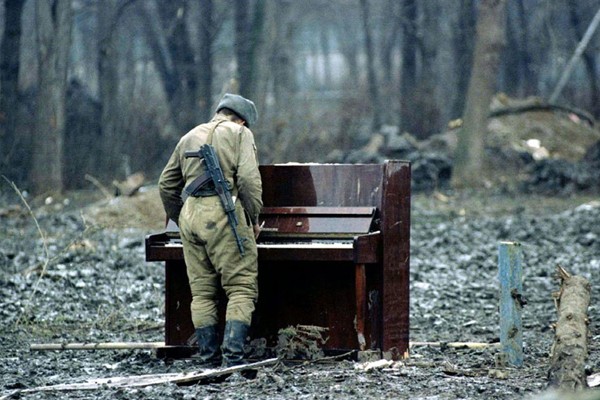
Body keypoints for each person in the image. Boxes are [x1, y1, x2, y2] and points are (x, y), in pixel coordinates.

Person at [158, 93, 263, 367]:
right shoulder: (240, 134)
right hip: (224, 213)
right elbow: (249, 181)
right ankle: (233, 359)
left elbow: (166, 185)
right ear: (242, 119)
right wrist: (252, 220)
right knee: (241, 288)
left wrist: (180, 217)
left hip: (191, 216)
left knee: (202, 293)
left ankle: (207, 360)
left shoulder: (189, 136)